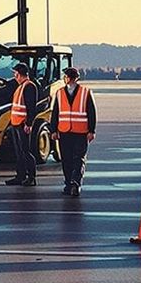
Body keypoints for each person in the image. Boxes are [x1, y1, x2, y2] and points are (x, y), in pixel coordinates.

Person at [52, 64, 96, 195]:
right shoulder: (60, 93)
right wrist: (53, 130)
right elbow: (55, 112)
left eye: (68, 77)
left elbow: (91, 112)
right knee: (66, 159)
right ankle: (68, 183)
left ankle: (75, 183)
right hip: (64, 131)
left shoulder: (85, 92)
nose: (68, 80)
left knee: (79, 158)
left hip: (81, 132)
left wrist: (91, 131)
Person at [4, 60, 42, 187]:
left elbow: (31, 107)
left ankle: (31, 177)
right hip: (16, 124)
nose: (15, 76)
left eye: (16, 73)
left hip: (22, 125)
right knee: (19, 152)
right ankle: (20, 176)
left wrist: (29, 124)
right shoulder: (20, 87)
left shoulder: (29, 86)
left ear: (21, 74)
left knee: (25, 151)